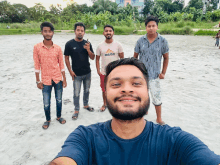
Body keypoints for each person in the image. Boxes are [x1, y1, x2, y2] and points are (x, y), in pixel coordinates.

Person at [50, 58, 220, 165]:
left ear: (147, 92)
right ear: (105, 93)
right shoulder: (85, 138)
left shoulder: (175, 141)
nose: (126, 90)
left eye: (136, 83)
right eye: (116, 84)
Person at [134, 15, 169, 125]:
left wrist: (163, 72)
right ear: (146, 28)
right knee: (142, 96)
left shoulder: (163, 41)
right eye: (149, 26)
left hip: (155, 75)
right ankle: (143, 114)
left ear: (157, 27)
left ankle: (158, 118)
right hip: (141, 75)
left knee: (156, 97)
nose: (151, 28)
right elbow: (134, 57)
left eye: (153, 26)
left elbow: (166, 57)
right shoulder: (140, 40)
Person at [33, 22, 67, 129]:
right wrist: (38, 81)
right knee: (46, 102)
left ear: (53, 33)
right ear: (42, 32)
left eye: (50, 31)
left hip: (57, 78)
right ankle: (47, 119)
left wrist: (64, 79)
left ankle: (58, 116)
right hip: (45, 80)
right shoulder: (37, 47)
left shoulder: (57, 48)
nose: (48, 33)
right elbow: (36, 65)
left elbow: (61, 64)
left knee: (59, 99)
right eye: (45, 31)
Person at [64, 22, 95, 120]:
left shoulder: (87, 44)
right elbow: (66, 58)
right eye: (78, 30)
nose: (80, 32)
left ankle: (86, 105)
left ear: (84, 32)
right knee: (76, 92)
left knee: (86, 90)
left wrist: (88, 50)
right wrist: (70, 71)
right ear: (75, 31)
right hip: (76, 74)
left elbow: (93, 57)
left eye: (82, 31)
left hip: (87, 72)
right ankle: (76, 109)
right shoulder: (69, 44)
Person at [96, 24, 124, 112]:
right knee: (104, 89)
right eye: (106, 31)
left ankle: (116, 104)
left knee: (117, 88)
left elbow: (122, 59)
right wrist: (98, 70)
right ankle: (105, 104)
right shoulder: (100, 46)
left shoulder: (118, 45)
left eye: (110, 31)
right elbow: (97, 59)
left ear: (113, 33)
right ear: (103, 33)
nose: (108, 32)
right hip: (104, 72)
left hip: (115, 73)